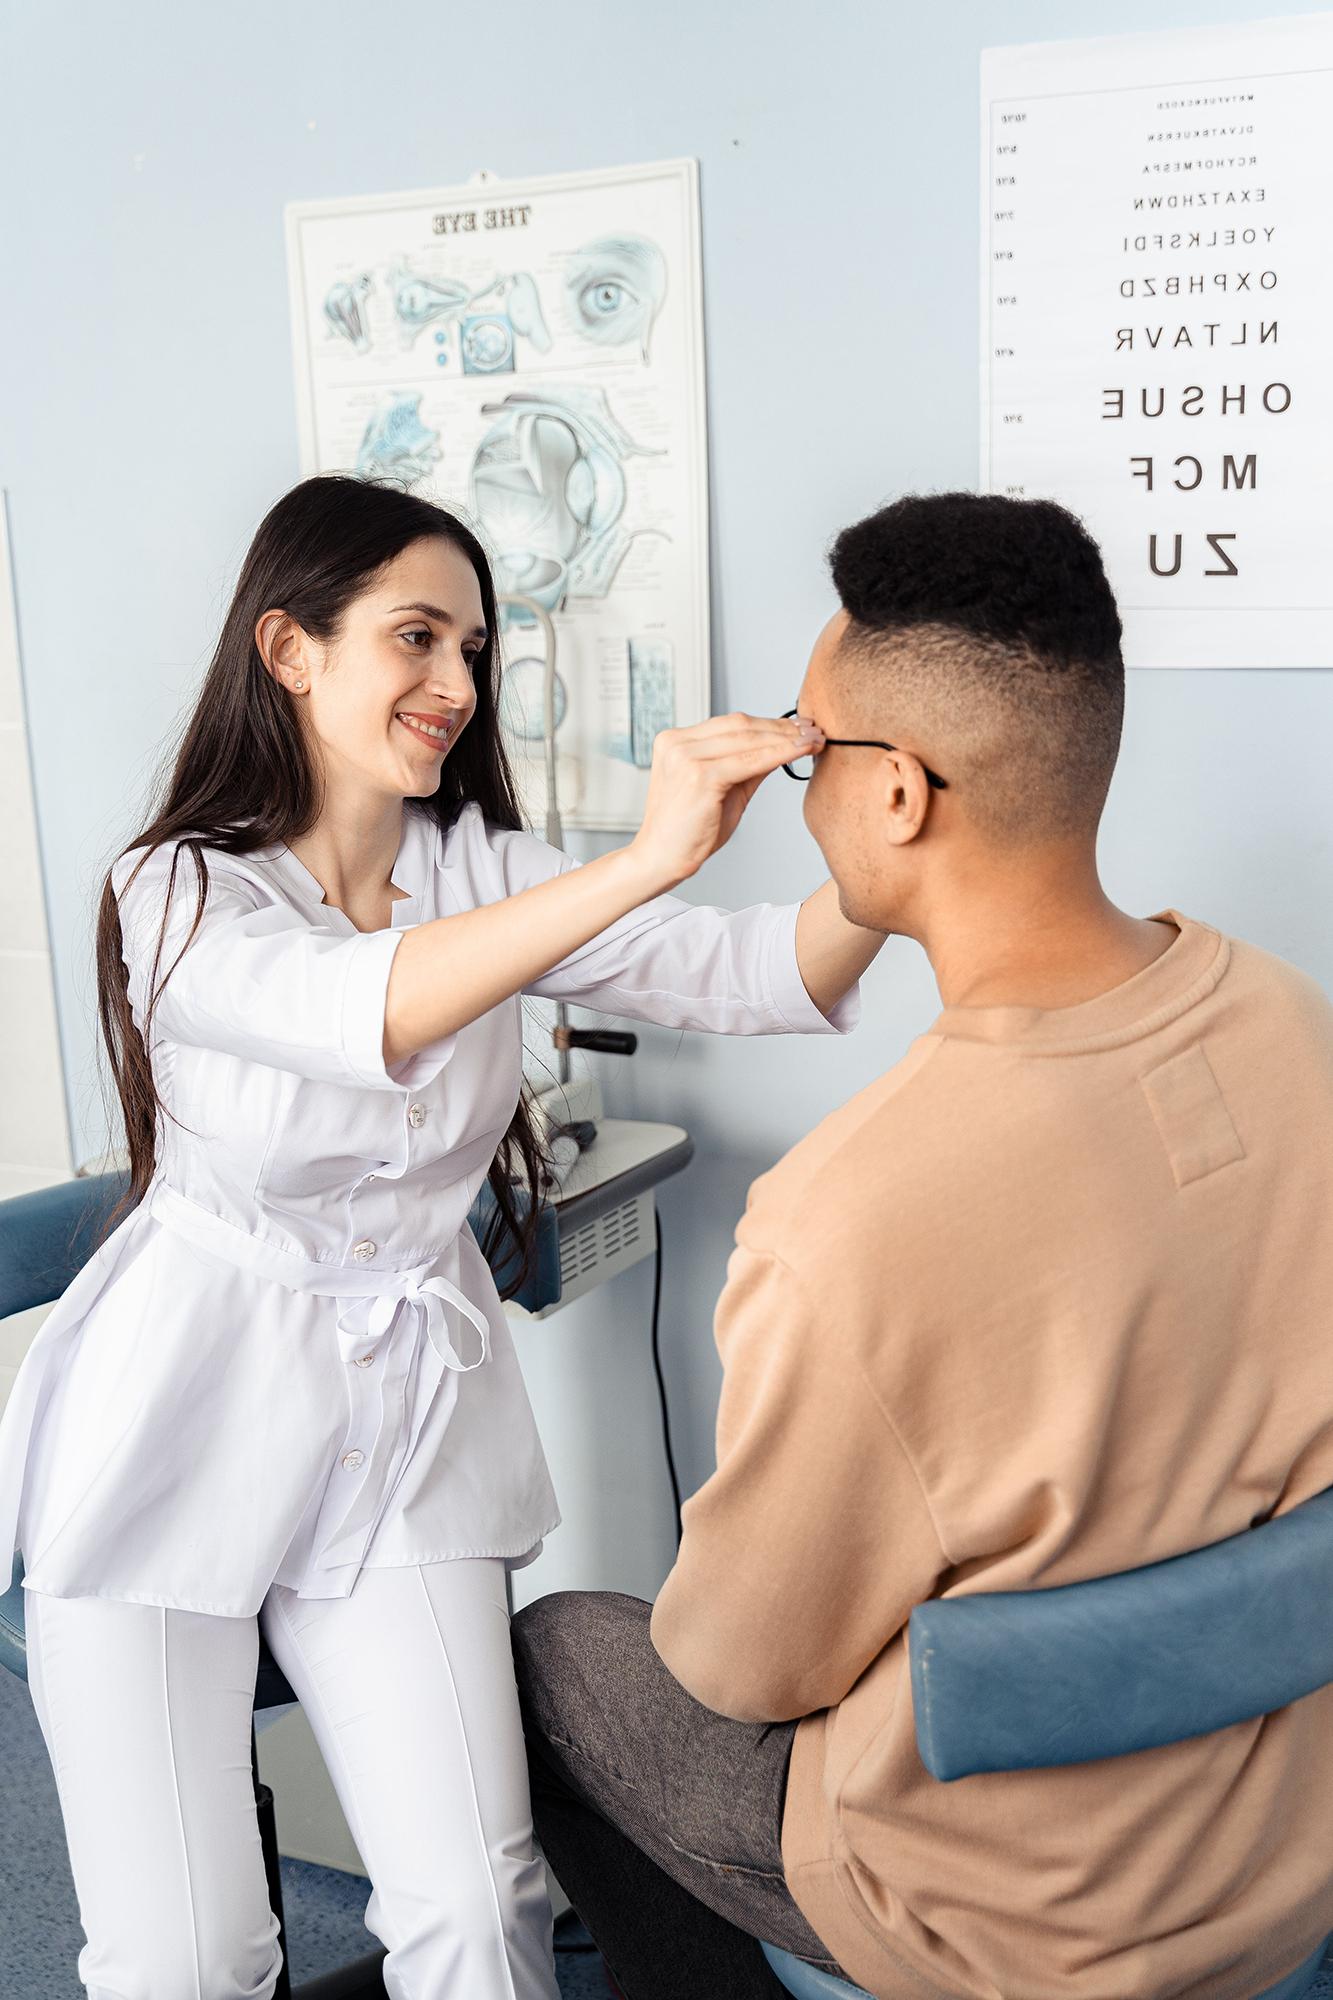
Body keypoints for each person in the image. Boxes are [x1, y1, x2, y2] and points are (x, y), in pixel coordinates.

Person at [0, 472, 883, 2000]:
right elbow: (367, 1010)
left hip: (402, 1428)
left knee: (480, 1909)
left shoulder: (482, 869)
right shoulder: (176, 890)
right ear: (289, 649)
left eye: (474, 648)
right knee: (187, 1957)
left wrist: (910, 822)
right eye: (417, 637)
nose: (457, 686)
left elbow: (756, 967)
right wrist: (647, 851)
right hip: (176, 1424)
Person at [511, 491, 1333, 2000]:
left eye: (808, 747)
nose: (800, 779)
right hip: (1281, 1847)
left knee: (563, 1654)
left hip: (1015, 1918)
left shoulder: (847, 1218)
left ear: (895, 797)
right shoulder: (1292, 1022)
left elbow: (737, 1672)